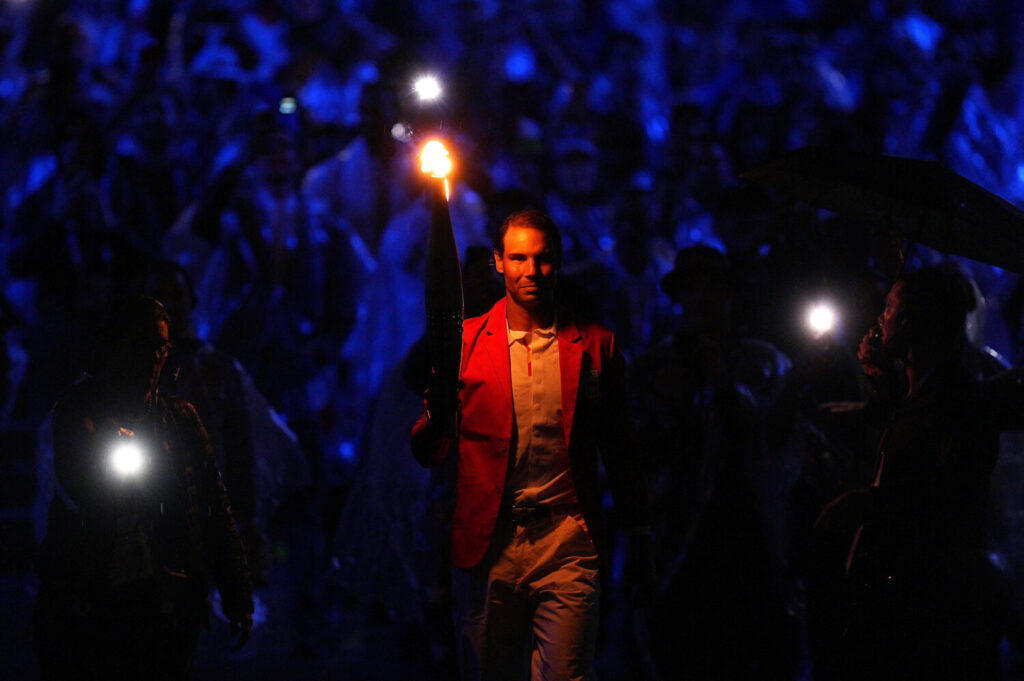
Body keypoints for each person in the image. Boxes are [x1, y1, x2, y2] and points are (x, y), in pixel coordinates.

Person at [411, 209, 652, 681]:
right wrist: (439, 416)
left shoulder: (595, 346)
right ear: (498, 262)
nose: (531, 271)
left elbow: (621, 450)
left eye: (541, 259)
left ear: (558, 262)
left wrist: (640, 536)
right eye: (518, 258)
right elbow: (428, 450)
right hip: (488, 542)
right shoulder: (463, 344)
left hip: (567, 541)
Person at [813, 267, 1024, 681]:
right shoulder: (936, 394)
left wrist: (863, 504)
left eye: (889, 309)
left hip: (930, 615)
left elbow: (934, 495)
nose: (880, 320)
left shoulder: (954, 404)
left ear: (911, 323)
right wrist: (883, 382)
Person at [32, 296, 253, 681]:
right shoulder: (80, 406)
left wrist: (236, 594)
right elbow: (81, 480)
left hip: (165, 601)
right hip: (93, 600)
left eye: (161, 346)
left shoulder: (181, 419)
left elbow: (214, 506)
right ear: (116, 346)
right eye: (143, 344)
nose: (153, 357)